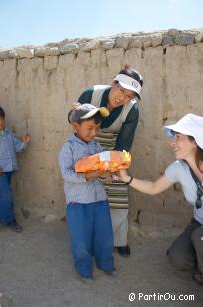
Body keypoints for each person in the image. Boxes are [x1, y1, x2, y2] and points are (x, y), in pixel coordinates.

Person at [119, 113, 203, 285]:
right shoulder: (178, 168)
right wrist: (127, 179)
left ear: (194, 141)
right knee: (177, 257)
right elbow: (153, 188)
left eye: (178, 137)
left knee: (198, 236)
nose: (173, 142)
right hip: (198, 222)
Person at [71, 66, 143, 256]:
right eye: (121, 90)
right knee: (84, 188)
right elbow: (74, 124)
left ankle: (119, 240)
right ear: (114, 83)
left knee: (118, 191)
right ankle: (88, 237)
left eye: (129, 96)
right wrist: (72, 115)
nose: (122, 98)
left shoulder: (132, 110)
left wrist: (111, 168)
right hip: (86, 144)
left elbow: (123, 144)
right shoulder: (91, 94)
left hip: (112, 150)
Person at [59, 104, 115, 283]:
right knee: (80, 239)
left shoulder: (97, 146)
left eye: (97, 129)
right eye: (89, 128)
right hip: (78, 203)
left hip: (100, 200)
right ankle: (84, 270)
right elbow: (66, 174)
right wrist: (87, 177)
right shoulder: (68, 148)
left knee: (104, 235)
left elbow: (102, 169)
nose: (93, 133)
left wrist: (106, 177)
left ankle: (105, 264)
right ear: (76, 125)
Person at [0, 106, 30, 232]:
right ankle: (9, 220)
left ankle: (4, 216)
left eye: (1, 119)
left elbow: (18, 148)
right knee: (6, 196)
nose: (0, 121)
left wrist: (25, 142)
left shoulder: (8, 134)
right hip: (0, 171)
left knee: (2, 195)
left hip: (9, 170)